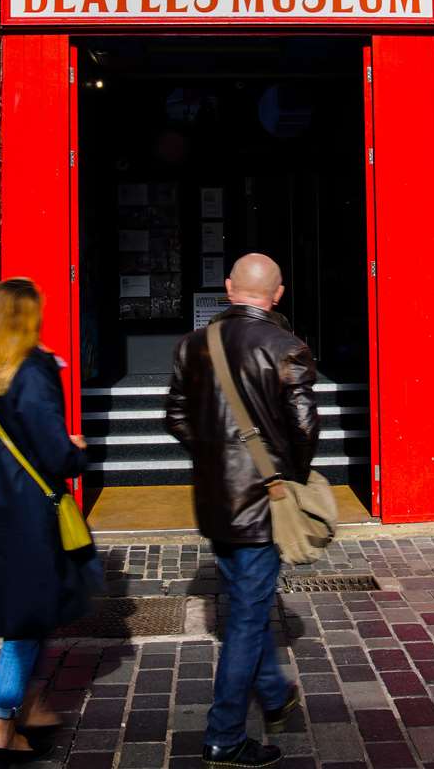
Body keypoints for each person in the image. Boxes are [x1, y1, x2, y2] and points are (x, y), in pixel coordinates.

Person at [166, 254, 318, 769]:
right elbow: (303, 427)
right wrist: (286, 475)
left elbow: (175, 417)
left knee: (245, 600)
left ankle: (274, 695)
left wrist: (212, 457)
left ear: (229, 287)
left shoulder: (193, 345)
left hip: (214, 500)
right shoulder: (286, 347)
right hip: (261, 505)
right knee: (248, 620)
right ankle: (225, 735)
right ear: (277, 295)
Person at [0, 278, 90, 765]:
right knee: (26, 624)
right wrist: (74, 452)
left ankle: (29, 707)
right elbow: (53, 450)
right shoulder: (31, 370)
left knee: (30, 618)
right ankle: (4, 724)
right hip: (31, 518)